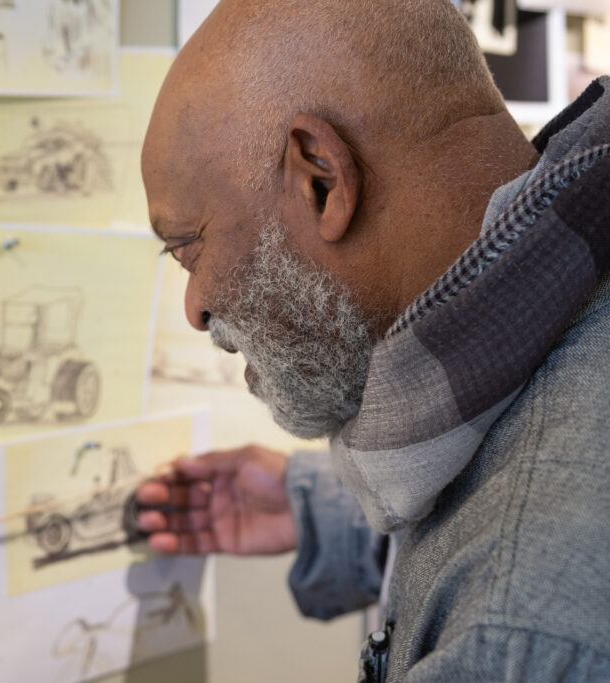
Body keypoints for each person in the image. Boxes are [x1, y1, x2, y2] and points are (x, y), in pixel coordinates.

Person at [135, 0, 610, 680]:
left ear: (323, 179)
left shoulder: (518, 628)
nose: (196, 309)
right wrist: (315, 505)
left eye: (188, 251)